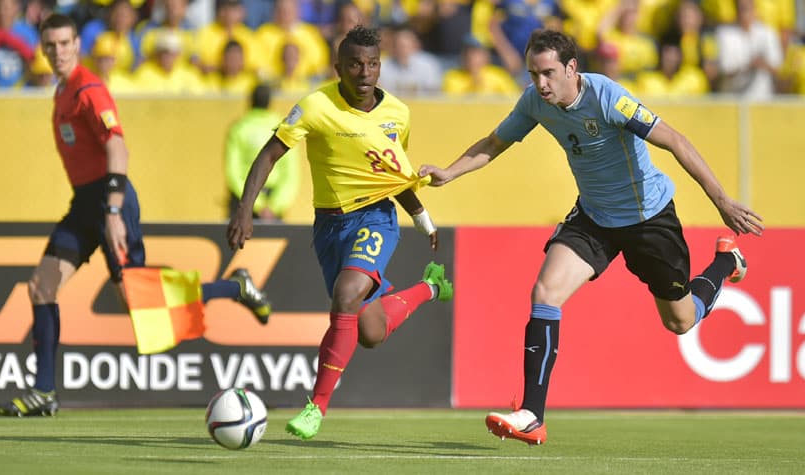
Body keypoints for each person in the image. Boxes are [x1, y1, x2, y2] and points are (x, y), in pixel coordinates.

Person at [418, 29, 764, 445]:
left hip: (648, 219)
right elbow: (495, 143)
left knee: (681, 320)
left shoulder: (607, 97)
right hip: (594, 218)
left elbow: (673, 139)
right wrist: (449, 172)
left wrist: (722, 202)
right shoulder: (534, 102)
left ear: (571, 69)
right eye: (532, 74)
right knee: (545, 292)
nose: (540, 84)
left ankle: (726, 261)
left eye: (547, 73)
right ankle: (532, 414)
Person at [0, 13, 271, 418]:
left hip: (112, 200)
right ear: (42, 47)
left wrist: (111, 210)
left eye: (64, 43)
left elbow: (117, 148)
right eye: (50, 45)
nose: (57, 51)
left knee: (138, 301)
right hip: (85, 203)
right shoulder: (61, 92)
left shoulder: (89, 89)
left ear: (77, 44)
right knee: (41, 287)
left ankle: (237, 288)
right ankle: (43, 392)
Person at [227, 25, 454, 440]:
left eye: (371, 64)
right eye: (355, 64)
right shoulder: (315, 106)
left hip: (376, 217)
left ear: (380, 67)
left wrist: (419, 214)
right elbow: (269, 153)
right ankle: (430, 288)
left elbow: (392, 173)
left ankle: (317, 407)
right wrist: (245, 210)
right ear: (339, 68)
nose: (364, 73)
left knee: (346, 294)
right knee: (369, 331)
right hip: (330, 226)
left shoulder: (398, 113)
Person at [225, 83, 301, 221]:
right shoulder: (282, 126)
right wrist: (274, 205)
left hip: (244, 201)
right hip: (272, 202)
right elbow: (290, 174)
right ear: (270, 102)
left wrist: (255, 204)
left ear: (250, 101)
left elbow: (233, 173)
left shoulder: (238, 128)